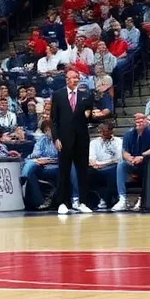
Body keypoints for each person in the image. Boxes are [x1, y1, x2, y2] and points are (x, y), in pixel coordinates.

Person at [50, 67, 93, 215]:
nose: (72, 80)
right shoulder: (58, 95)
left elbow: (90, 118)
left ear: (78, 78)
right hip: (64, 140)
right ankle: (62, 202)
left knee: (83, 172)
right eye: (69, 78)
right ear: (66, 79)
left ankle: (83, 202)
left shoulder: (85, 95)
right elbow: (53, 120)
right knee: (64, 172)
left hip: (82, 139)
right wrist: (55, 138)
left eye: (75, 77)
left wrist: (91, 115)